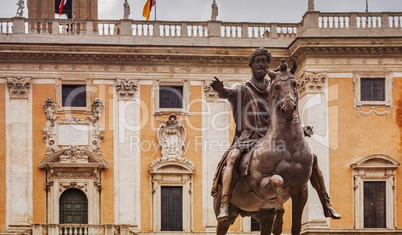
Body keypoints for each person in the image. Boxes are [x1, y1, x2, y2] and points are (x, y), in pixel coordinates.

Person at [210, 47, 341, 221]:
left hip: (274, 137)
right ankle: (225, 203)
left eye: (265, 62)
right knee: (233, 157)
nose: (262, 65)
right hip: (250, 137)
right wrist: (221, 90)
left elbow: (283, 115)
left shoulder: (276, 88)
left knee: (312, 158)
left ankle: (326, 203)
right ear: (251, 65)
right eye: (258, 61)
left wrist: (301, 129)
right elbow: (228, 93)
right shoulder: (243, 88)